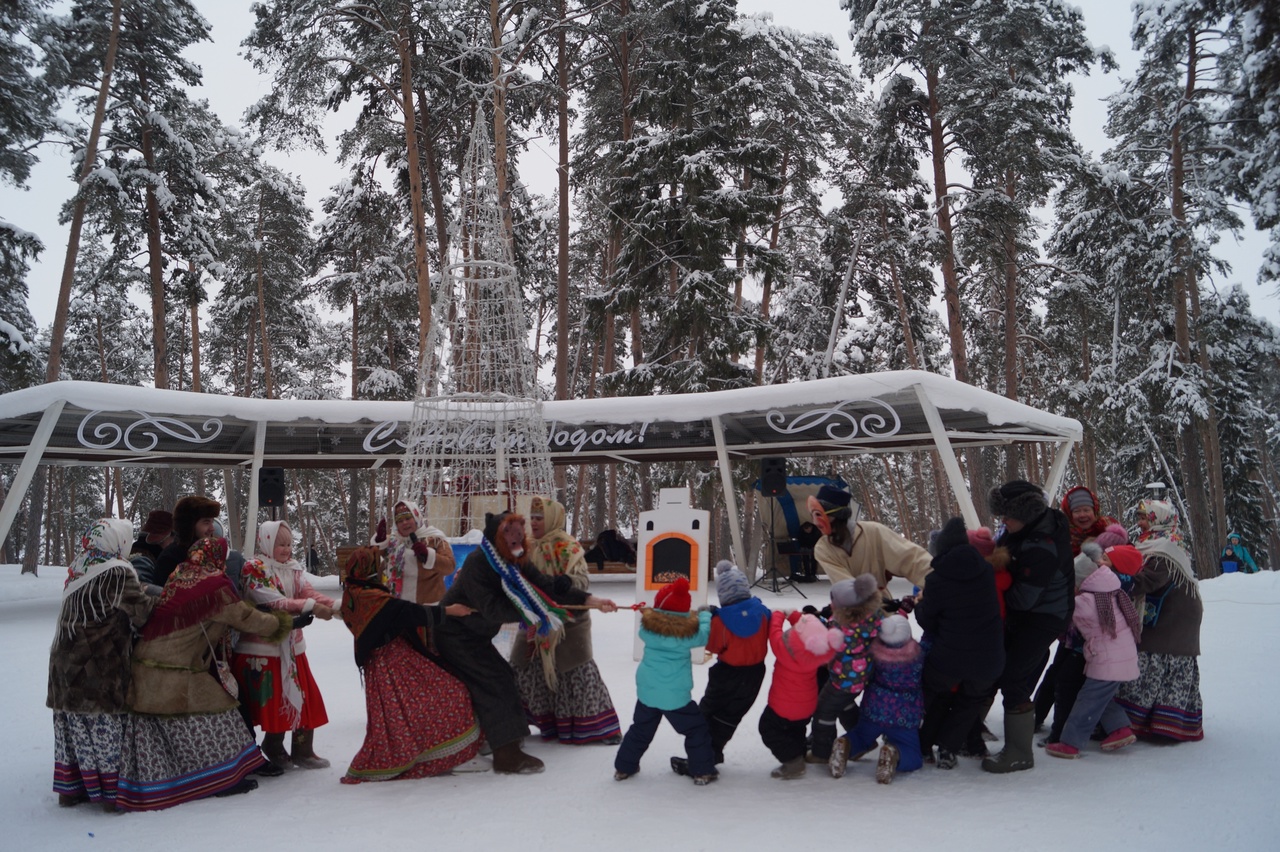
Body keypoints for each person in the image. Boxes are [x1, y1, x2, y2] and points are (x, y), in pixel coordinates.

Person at [117, 537, 304, 810]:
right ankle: (222, 780)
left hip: (147, 668)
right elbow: (244, 618)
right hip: (175, 672)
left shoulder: (182, 575)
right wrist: (288, 622)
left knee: (169, 725)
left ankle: (166, 776)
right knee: (222, 711)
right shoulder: (215, 588)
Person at [436, 510, 617, 774]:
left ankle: (493, 739)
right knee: (496, 682)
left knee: (502, 678)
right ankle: (507, 754)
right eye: (510, 533)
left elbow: (546, 586)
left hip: (475, 635)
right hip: (455, 635)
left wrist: (591, 600)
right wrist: (536, 608)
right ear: (496, 538)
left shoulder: (514, 560)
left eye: (520, 531)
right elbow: (492, 609)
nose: (519, 537)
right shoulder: (479, 564)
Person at [338, 548, 483, 783]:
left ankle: (433, 750)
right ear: (368, 569)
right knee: (451, 692)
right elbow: (407, 612)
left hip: (383, 666)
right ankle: (453, 753)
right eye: (379, 565)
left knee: (407, 712)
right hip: (393, 663)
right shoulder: (370, 597)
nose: (383, 569)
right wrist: (450, 611)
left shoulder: (354, 593)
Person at [48, 518, 157, 810]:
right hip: (99, 663)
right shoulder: (117, 571)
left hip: (64, 661)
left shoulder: (81, 564)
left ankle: (71, 791)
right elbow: (142, 613)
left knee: (74, 729)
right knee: (103, 729)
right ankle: (111, 796)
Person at [981, 480, 1074, 774]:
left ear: (1026, 512)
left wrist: (992, 588)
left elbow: (1022, 599)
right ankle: (973, 731)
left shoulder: (1041, 545)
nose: (1003, 522)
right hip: (1029, 614)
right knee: (999, 665)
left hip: (1045, 616)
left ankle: (1020, 753)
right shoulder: (1023, 530)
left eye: (1007, 516)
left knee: (1013, 677)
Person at [511, 496, 621, 745]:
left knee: (576, 674)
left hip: (569, 623)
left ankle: (601, 729)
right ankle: (519, 726)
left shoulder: (567, 546)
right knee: (522, 670)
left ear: (552, 519)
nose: (535, 522)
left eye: (540, 518)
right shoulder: (526, 547)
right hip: (535, 621)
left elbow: (582, 579)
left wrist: (568, 582)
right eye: (533, 518)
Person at [234, 520, 336, 770]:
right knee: (275, 700)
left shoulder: (293, 568)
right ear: (267, 542)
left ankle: (303, 749)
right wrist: (310, 607)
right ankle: (274, 745)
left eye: (289, 544)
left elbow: (308, 593)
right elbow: (272, 600)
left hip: (292, 647)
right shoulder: (254, 568)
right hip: (263, 648)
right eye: (281, 544)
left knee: (305, 696)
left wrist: (335, 607)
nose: (286, 549)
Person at [914, 518, 1005, 770]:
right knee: (970, 702)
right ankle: (948, 750)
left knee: (932, 694)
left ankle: (921, 747)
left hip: (949, 658)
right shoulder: (985, 570)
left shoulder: (937, 580)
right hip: (989, 658)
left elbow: (928, 622)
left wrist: (920, 603)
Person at [1115, 499, 1205, 742]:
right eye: (1140, 518)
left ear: (1159, 519)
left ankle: (1165, 726)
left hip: (1175, 616)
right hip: (1163, 611)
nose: (1140, 523)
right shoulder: (1151, 543)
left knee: (1160, 661)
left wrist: (1118, 581)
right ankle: (1145, 722)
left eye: (1145, 518)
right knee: (1151, 660)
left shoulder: (1167, 547)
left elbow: (1150, 580)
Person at [613, 577, 717, 786]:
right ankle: (702, 770)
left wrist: (652, 613)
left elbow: (655, 617)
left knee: (640, 729)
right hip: (675, 696)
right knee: (695, 729)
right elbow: (703, 635)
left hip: (648, 691)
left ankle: (624, 767)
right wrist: (705, 614)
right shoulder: (688, 634)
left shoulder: (647, 629)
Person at [670, 560, 770, 776]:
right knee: (729, 717)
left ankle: (701, 761)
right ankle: (713, 753)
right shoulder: (763, 612)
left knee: (708, 713)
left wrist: (712, 617)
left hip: (726, 675)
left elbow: (713, 645)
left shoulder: (721, 621)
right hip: (754, 675)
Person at [1045, 556, 1142, 759]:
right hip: (1121, 657)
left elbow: (1062, 611)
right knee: (1101, 697)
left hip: (1108, 660)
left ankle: (1071, 744)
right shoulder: (1109, 591)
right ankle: (1119, 730)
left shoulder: (1086, 602)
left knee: (1088, 700)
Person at [839, 614, 925, 784]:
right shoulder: (919, 654)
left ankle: (846, 745)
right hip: (904, 715)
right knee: (912, 752)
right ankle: (896, 753)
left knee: (861, 736)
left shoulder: (874, 652)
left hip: (874, 709)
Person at [808, 485, 931, 604]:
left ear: (837, 514)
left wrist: (937, 581)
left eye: (818, 515)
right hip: (850, 615)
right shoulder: (823, 548)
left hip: (884, 610)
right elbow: (846, 587)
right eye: (812, 515)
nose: (814, 522)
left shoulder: (873, 531)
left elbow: (911, 559)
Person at [757, 611, 843, 780]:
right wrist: (795, 616)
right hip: (807, 705)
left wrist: (779, 615)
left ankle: (792, 762)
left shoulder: (785, 650)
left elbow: (774, 632)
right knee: (796, 729)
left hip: (783, 705)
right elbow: (811, 629)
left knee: (768, 729)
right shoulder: (817, 653)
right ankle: (799, 752)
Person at [811, 574, 881, 773]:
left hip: (843, 678)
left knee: (824, 710)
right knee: (844, 704)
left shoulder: (840, 627)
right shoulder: (872, 617)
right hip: (861, 674)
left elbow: (824, 644)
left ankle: (821, 753)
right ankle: (863, 740)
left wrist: (815, 622)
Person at [372, 499, 454, 605]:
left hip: (427, 610)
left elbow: (449, 566)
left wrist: (428, 555)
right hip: (398, 608)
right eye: (400, 521)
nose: (404, 523)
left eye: (407, 518)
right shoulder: (394, 541)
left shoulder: (434, 539)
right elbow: (376, 555)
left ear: (416, 518)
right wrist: (380, 540)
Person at [150, 495, 220, 587]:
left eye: (212, 522)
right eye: (206, 522)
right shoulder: (170, 558)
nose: (212, 528)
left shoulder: (211, 552)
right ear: (189, 525)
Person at [1060, 485, 1117, 557]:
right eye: (1077, 511)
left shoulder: (1110, 527)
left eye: (1086, 510)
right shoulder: (1063, 538)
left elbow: (1128, 553)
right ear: (1070, 515)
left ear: (1095, 511)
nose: (1082, 515)